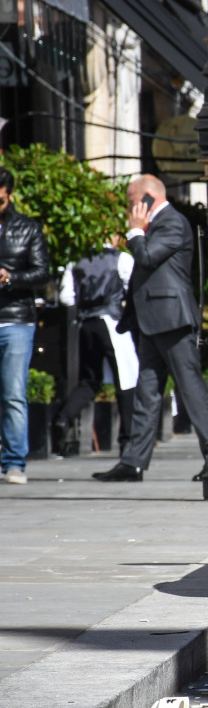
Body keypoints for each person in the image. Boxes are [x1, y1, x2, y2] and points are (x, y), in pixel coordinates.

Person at [93, 175, 208, 483]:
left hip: (172, 319)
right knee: (147, 393)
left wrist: (135, 231)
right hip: (152, 321)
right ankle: (133, 463)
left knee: (191, 389)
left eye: (132, 201)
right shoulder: (159, 225)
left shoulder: (172, 222)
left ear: (147, 198)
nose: (129, 208)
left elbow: (146, 257)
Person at [53, 238, 138, 454]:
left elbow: (65, 297)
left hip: (86, 324)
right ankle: (127, 440)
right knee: (126, 380)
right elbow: (134, 288)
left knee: (89, 380)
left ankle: (63, 419)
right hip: (112, 323)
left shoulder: (77, 261)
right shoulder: (122, 259)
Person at [0, 167, 50, 484]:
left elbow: (42, 273)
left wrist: (10, 278)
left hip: (16, 319)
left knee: (13, 393)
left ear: (8, 195)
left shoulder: (27, 228)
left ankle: (14, 462)